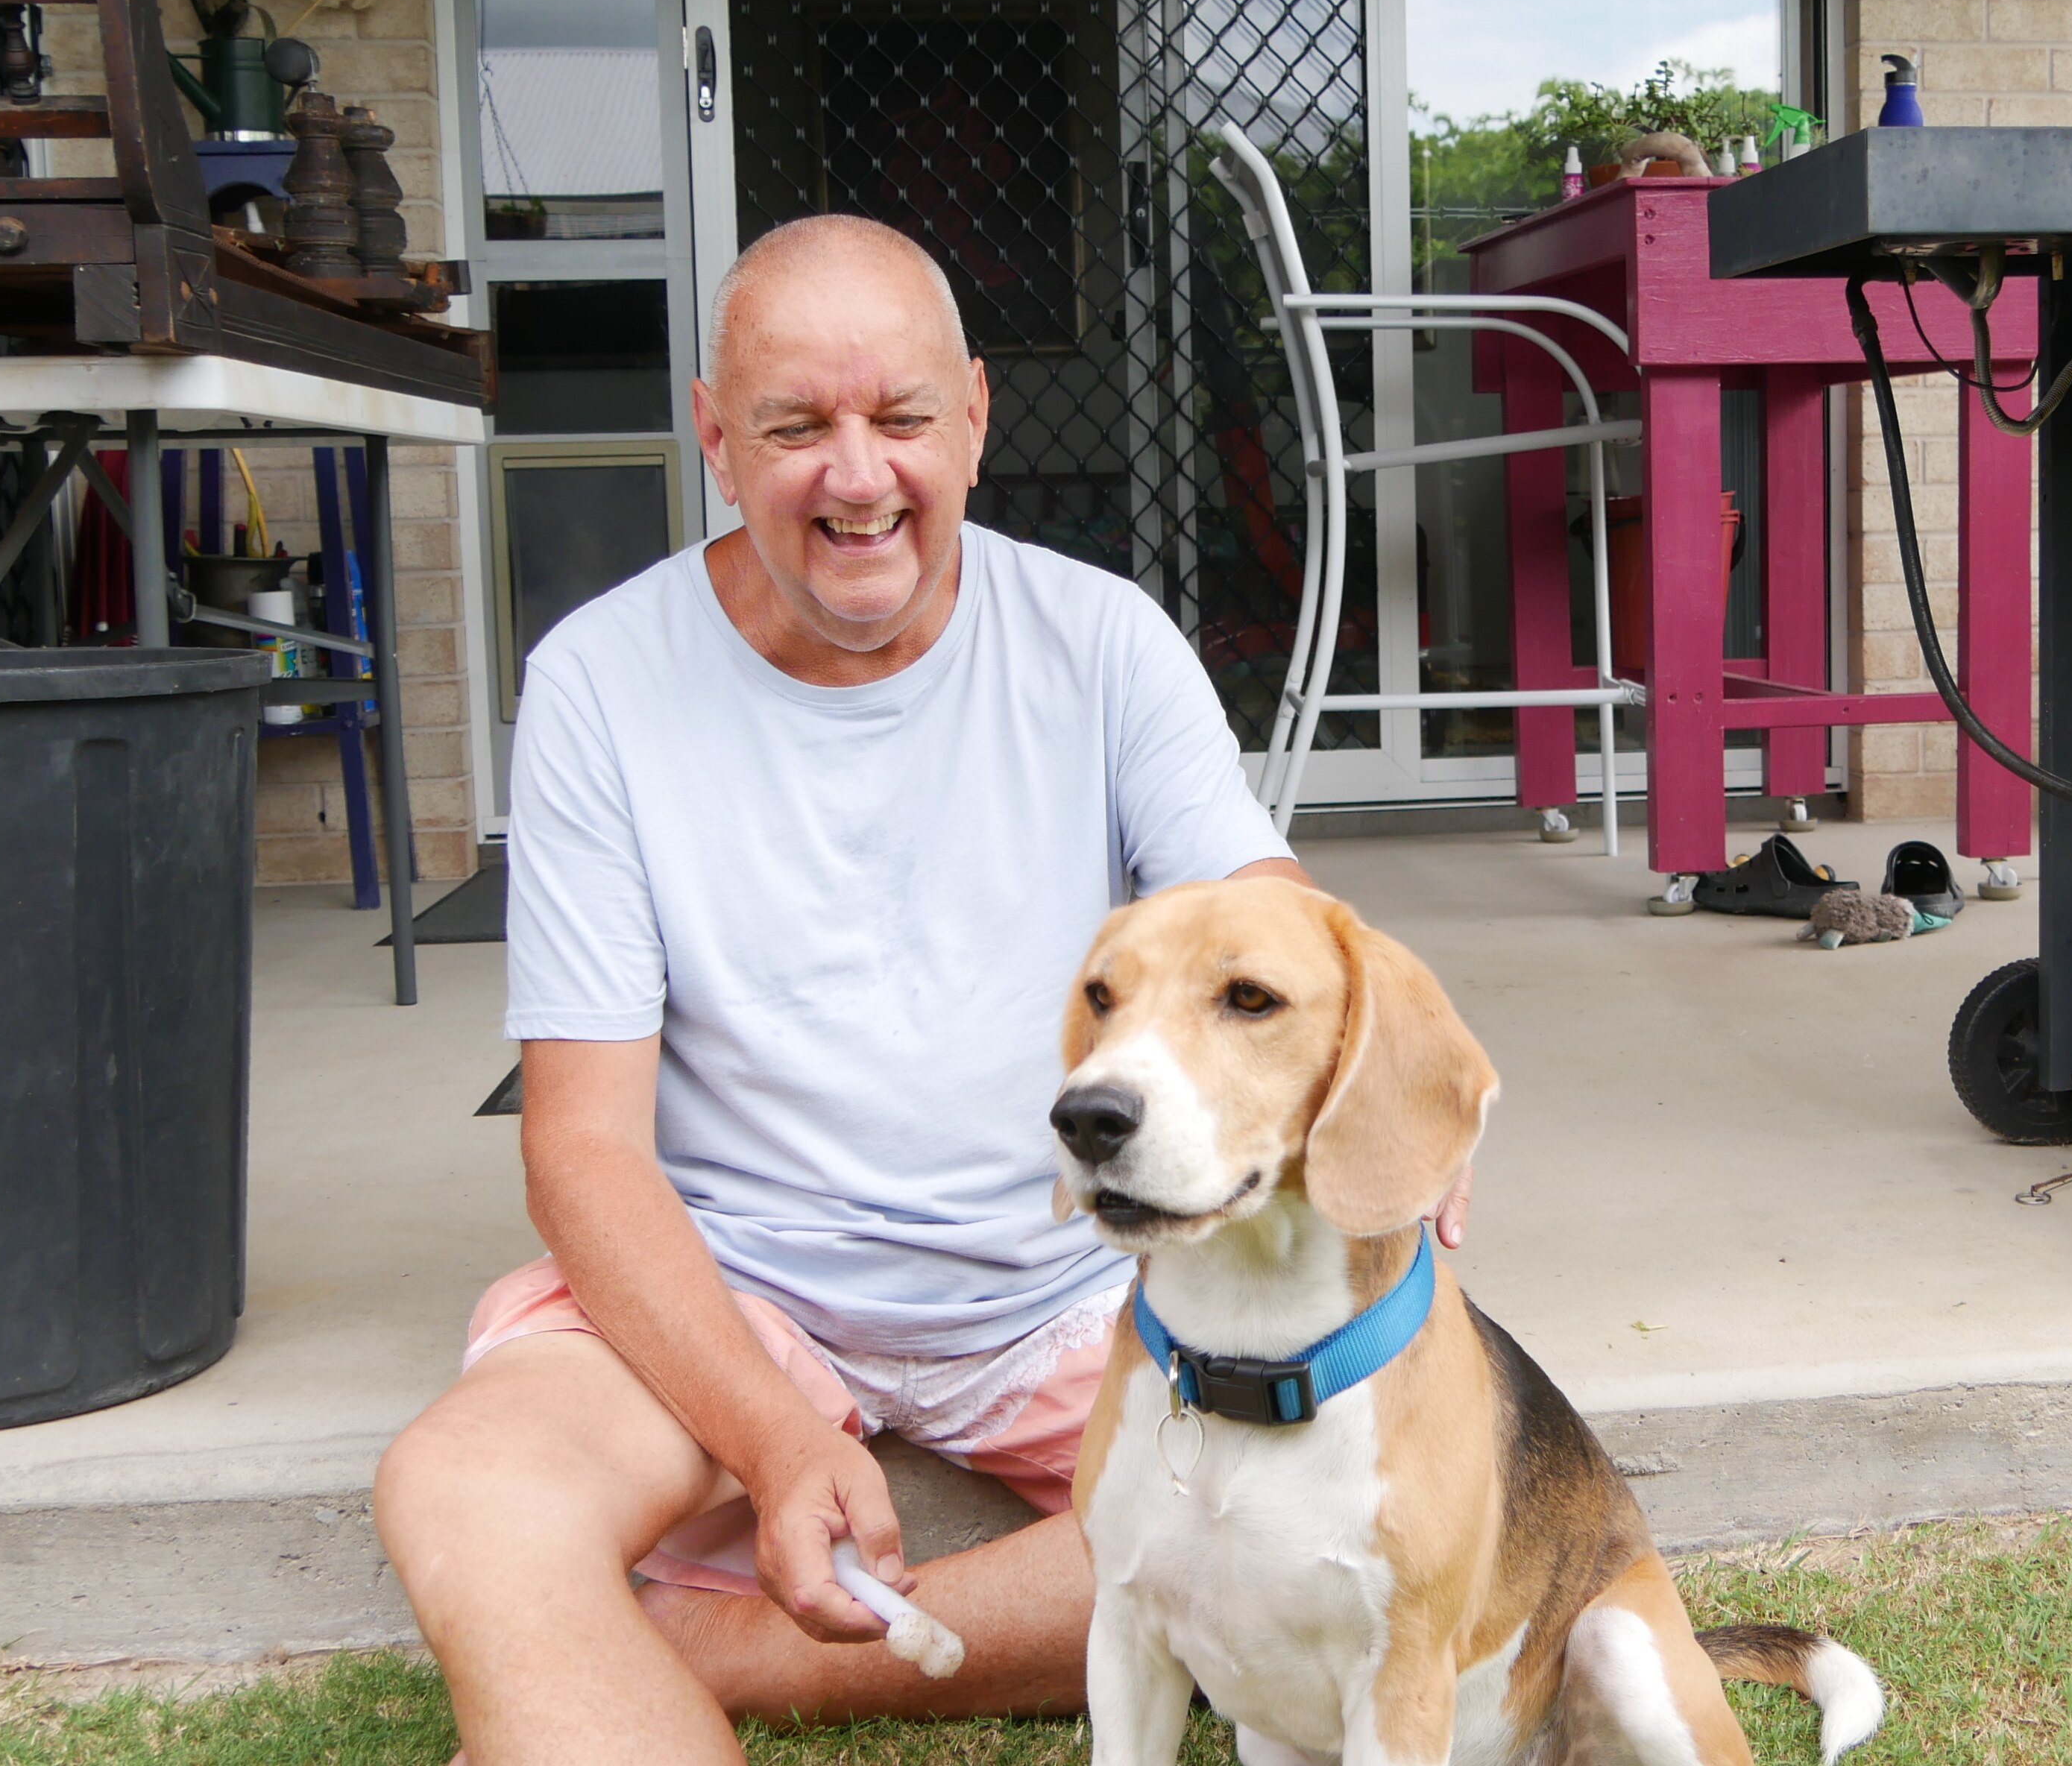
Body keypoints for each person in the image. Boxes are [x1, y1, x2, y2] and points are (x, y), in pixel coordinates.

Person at [373, 216, 1467, 1765]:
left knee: (1326, 1514)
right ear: (710, 433)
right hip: (736, 1281)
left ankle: (744, 1654)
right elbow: (584, 1147)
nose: (857, 475)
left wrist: (1386, 1075)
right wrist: (769, 1427)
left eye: (897, 420)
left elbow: (1263, 924)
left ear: (972, 416)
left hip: (1077, 1285)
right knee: (467, 1485)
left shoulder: (1101, 643)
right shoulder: (601, 681)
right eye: (793, 427)